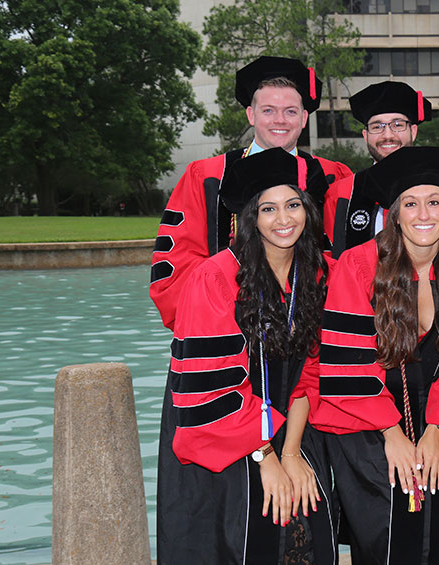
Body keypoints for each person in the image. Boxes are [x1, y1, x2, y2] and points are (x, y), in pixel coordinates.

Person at [156, 148, 337, 564]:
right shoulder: (216, 277)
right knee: (246, 530)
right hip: (221, 431)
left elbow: (310, 373)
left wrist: (290, 452)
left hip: (287, 424)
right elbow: (213, 386)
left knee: (309, 516)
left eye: (293, 205)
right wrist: (266, 456)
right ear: (250, 219)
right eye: (269, 209)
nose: (284, 219)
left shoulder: (315, 274)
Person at [312, 146, 439, 564]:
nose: (423, 214)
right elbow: (346, 361)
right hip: (368, 426)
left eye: (434, 202)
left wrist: (436, 428)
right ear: (395, 214)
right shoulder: (357, 266)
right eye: (410, 203)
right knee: (385, 540)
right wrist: (391, 434)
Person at [151, 56, 353, 329]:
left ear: (304, 118)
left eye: (291, 111)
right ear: (251, 114)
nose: (280, 120)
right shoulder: (208, 177)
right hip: (227, 328)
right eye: (268, 110)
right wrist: (234, 312)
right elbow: (177, 262)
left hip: (312, 333)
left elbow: (347, 261)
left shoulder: (332, 178)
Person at [323, 81, 439, 257]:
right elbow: (331, 264)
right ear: (365, 135)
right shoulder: (342, 194)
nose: (387, 135)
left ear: (413, 131)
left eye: (398, 124)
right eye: (377, 126)